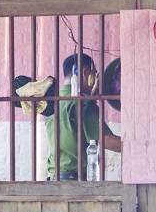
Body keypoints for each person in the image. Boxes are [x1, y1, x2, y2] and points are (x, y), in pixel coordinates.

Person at [46, 53, 122, 181]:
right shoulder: (84, 106)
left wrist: (91, 97)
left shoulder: (53, 103)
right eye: (94, 74)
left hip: (55, 180)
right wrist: (138, 146)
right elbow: (106, 141)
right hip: (76, 184)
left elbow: (76, 119)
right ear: (85, 73)